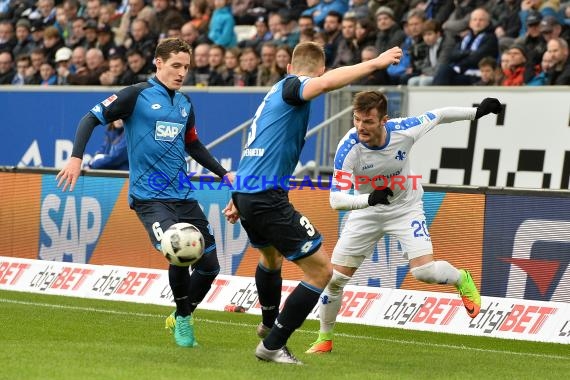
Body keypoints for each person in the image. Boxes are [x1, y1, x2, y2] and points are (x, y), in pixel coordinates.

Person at [223, 42, 403, 365]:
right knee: (322, 272)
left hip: (248, 189)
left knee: (271, 256)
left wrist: (238, 196)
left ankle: (268, 323)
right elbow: (325, 84)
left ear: (289, 66)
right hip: (265, 196)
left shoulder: (275, 91)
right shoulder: (295, 87)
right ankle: (273, 344)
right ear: (319, 70)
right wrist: (374, 63)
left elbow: (257, 142)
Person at [56, 38, 233, 349]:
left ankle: (181, 313)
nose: (181, 72)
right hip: (149, 197)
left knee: (209, 266)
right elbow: (90, 118)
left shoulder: (185, 103)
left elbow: (192, 144)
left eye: (186, 67)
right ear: (159, 63)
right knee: (179, 249)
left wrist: (224, 173)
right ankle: (184, 322)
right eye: (176, 65)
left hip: (183, 195)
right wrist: (76, 157)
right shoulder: (135, 95)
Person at [305, 91, 502, 354]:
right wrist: (368, 200)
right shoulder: (348, 147)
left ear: (384, 120)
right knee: (335, 279)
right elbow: (335, 200)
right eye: (357, 119)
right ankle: (324, 338)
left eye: (368, 121)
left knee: (424, 272)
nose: (361, 127)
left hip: (405, 208)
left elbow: (440, 115)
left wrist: (476, 112)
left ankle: (461, 278)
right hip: (367, 211)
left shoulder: (405, 130)